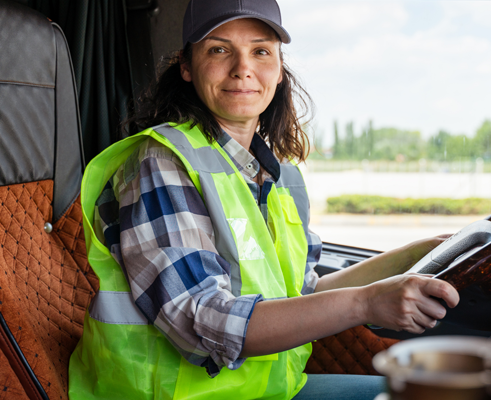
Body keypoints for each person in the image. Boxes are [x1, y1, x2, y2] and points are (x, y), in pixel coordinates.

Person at [68, 1, 459, 399]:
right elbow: (199, 321)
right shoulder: (161, 162)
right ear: (186, 66)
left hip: (271, 390)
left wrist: (418, 253)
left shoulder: (274, 175)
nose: (243, 68)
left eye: (260, 51)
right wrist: (365, 304)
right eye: (219, 49)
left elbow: (304, 293)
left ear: (278, 68)